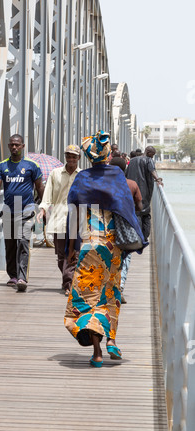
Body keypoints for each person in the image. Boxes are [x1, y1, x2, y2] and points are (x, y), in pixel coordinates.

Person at [64, 131, 147, 368]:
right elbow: (128, 208)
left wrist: (71, 247)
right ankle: (112, 340)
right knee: (110, 293)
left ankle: (98, 352)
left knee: (89, 297)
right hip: (113, 248)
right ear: (108, 154)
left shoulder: (82, 179)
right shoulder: (118, 176)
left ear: (88, 157)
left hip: (90, 245)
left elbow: (74, 215)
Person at [0, 134, 44, 292]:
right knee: (10, 245)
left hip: (26, 209)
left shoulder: (31, 165)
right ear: (8, 146)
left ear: (23, 146)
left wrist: (45, 206)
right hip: (8, 210)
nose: (14, 147)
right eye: (12, 145)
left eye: (17, 145)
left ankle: (22, 277)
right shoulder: (2, 166)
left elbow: (39, 186)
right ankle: (12, 275)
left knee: (22, 242)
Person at [37, 145, 82, 296]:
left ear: (79, 158)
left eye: (74, 156)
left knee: (73, 253)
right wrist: (43, 209)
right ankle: (68, 279)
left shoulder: (82, 175)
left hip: (76, 219)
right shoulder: (55, 174)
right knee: (61, 255)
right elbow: (48, 193)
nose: (71, 159)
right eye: (68, 156)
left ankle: (68, 284)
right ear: (65, 157)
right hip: (58, 218)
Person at [110, 156, 143, 303]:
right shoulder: (132, 184)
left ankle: (108, 287)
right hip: (127, 225)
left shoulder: (105, 184)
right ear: (125, 168)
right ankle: (120, 287)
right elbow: (139, 206)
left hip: (108, 225)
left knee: (109, 258)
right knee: (126, 256)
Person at [126, 146, 163, 241]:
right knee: (145, 214)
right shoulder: (148, 160)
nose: (152, 156)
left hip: (132, 191)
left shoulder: (132, 161)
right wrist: (158, 179)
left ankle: (135, 236)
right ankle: (144, 237)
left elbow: (126, 174)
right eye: (152, 154)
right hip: (144, 192)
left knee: (135, 213)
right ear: (148, 152)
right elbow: (152, 171)